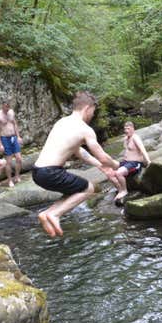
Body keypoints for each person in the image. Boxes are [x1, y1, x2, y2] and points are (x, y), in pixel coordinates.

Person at [32, 91, 119, 237]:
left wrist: (100, 166)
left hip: (37, 172)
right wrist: (117, 165)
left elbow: (79, 151)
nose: (92, 115)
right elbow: (104, 157)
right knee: (88, 189)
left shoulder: (62, 122)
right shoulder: (85, 129)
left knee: (72, 191)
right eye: (93, 111)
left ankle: (47, 213)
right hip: (51, 172)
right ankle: (54, 214)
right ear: (87, 108)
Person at [109, 121, 151, 206]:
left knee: (118, 173)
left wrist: (148, 161)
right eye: (125, 129)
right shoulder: (125, 138)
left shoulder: (136, 138)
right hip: (126, 162)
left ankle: (124, 190)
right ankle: (120, 189)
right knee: (110, 172)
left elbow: (143, 150)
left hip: (135, 163)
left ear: (133, 129)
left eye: (128, 128)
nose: (126, 130)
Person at [0, 101, 23, 186]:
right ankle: (10, 180)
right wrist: (0, 144)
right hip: (5, 138)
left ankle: (17, 176)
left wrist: (18, 136)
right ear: (2, 106)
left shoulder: (11, 112)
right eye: (5, 107)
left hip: (13, 137)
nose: (7, 109)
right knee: (8, 161)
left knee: (19, 158)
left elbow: (15, 124)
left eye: (8, 107)